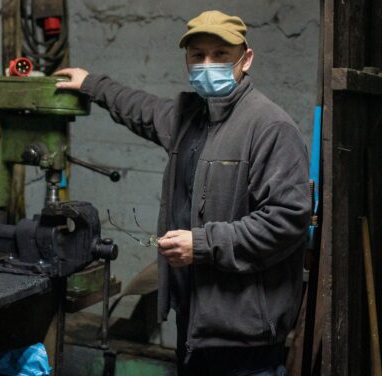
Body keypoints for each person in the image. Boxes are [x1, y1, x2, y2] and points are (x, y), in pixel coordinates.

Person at [55, 10, 311, 375]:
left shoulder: (270, 127)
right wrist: (90, 84)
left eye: (221, 55)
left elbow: (286, 221)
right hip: (193, 320)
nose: (208, 64)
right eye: (198, 55)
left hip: (244, 335)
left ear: (246, 59)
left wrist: (203, 243)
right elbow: (140, 109)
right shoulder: (190, 115)